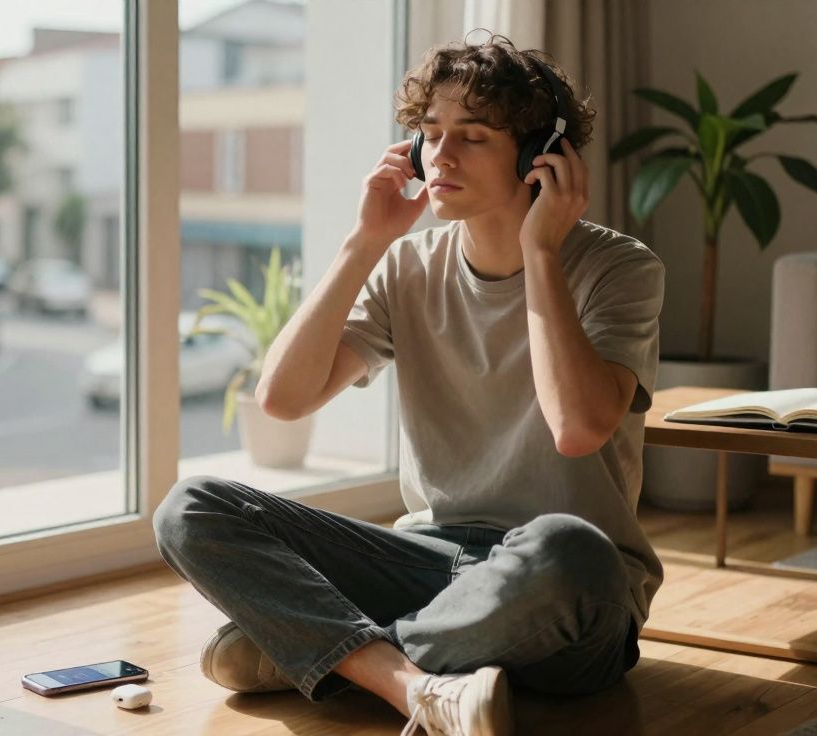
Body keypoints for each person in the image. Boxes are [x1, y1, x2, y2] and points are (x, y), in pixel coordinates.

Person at [154, 33, 665, 736]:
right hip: (425, 560)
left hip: (563, 592)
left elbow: (577, 429)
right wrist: (364, 241)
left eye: (473, 137)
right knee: (189, 507)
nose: (440, 157)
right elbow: (284, 399)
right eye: (430, 133)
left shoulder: (620, 269)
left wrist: (540, 252)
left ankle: (326, 652)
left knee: (568, 551)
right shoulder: (407, 265)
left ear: (538, 158)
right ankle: (412, 685)